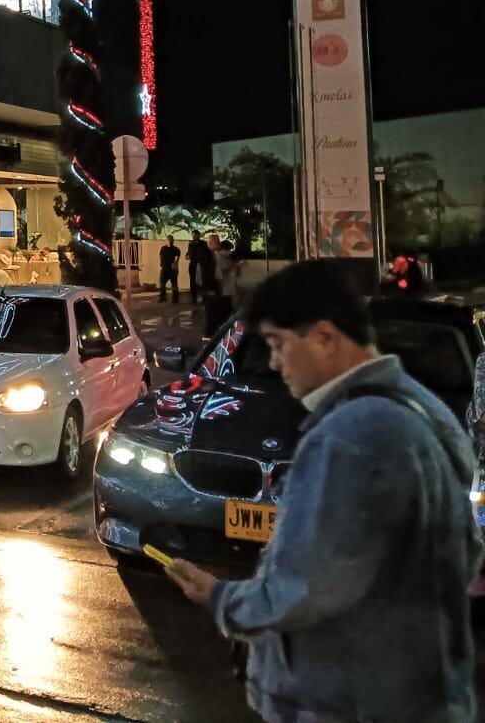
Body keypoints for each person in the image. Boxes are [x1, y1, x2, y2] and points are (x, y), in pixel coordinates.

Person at [167, 260, 479, 723]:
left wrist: (219, 597)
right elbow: (466, 554)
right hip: (416, 693)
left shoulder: (348, 436)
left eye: (278, 344)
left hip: (344, 702)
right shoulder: (424, 409)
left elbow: (303, 587)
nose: (273, 362)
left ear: (326, 337)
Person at [157, 237, 180, 303]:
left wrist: (175, 264)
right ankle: (162, 297)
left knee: (174, 284)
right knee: (162, 283)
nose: (169, 241)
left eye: (170, 239)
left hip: (172, 269)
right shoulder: (163, 248)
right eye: (168, 239)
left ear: (173, 240)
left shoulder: (176, 249)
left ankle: (175, 299)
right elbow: (160, 255)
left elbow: (177, 258)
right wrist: (161, 262)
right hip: (164, 268)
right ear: (166, 241)